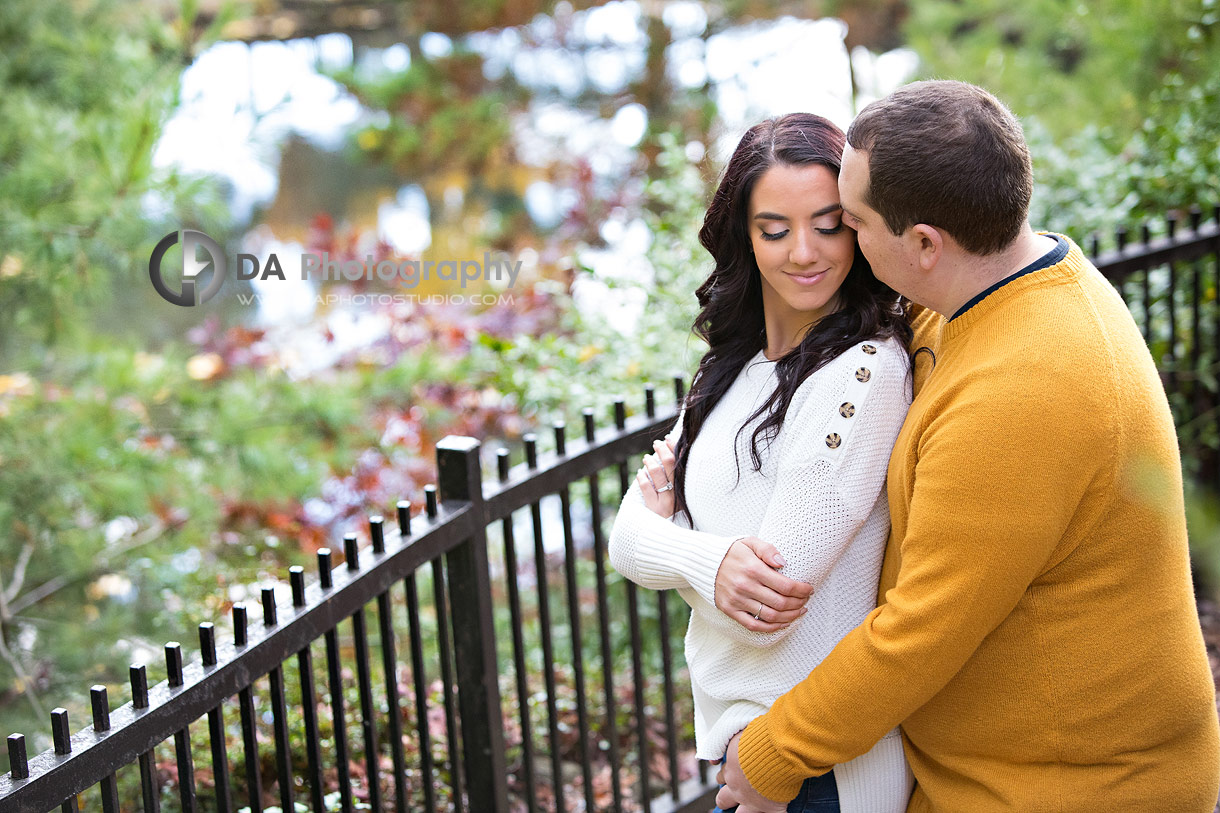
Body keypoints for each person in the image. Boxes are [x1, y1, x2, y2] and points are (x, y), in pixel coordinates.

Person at [714, 80, 1220, 813]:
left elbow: (921, 631)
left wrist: (772, 753)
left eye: (851, 222)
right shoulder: (994, 288)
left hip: (1069, 788)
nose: (841, 241)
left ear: (924, 243)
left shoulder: (1024, 387)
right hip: (997, 765)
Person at [607, 112, 915, 813]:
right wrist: (712, 564)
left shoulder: (862, 372)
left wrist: (673, 544)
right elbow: (624, 541)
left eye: (829, 224)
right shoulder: (731, 371)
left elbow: (767, 605)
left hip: (822, 770)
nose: (804, 251)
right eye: (775, 229)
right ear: (744, 236)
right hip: (747, 756)